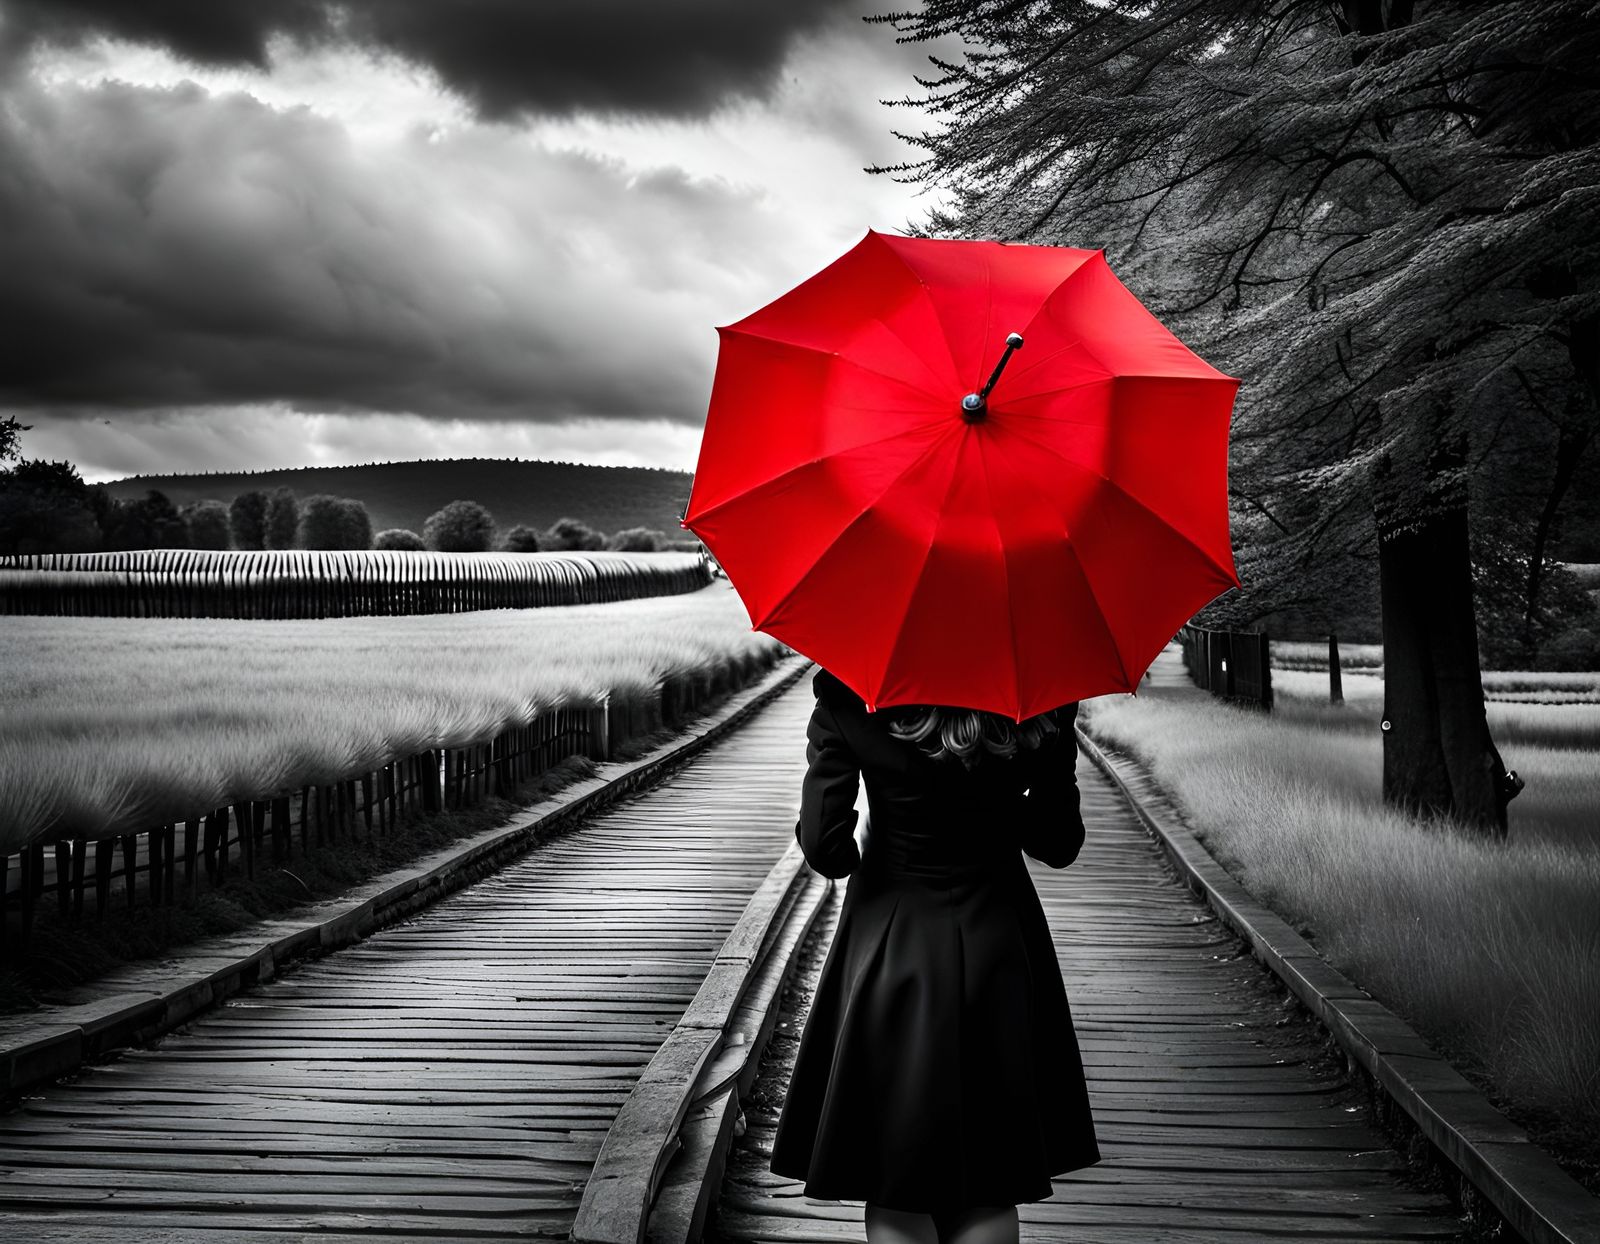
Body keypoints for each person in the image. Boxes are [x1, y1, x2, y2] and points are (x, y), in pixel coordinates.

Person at [769, 665, 1100, 1244]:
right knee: (990, 1183)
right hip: (1000, 940)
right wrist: (993, 810)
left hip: (892, 946)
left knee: (896, 1182)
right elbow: (1058, 840)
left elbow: (828, 847)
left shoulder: (851, 692)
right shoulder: (1044, 697)